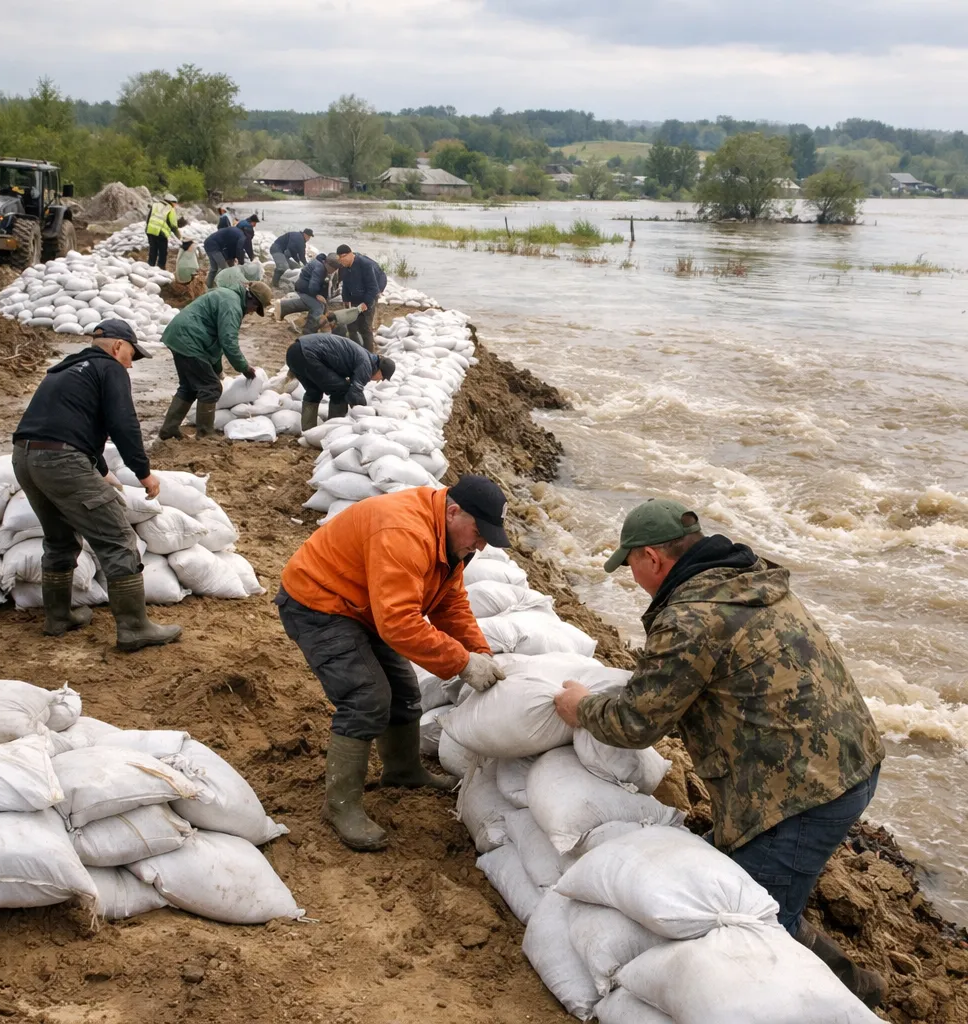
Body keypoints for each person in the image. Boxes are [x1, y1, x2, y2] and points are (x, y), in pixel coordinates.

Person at [552, 498, 887, 1007]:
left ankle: (849, 999)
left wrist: (581, 707)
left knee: (757, 921)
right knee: (732, 880)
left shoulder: (691, 618)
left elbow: (636, 722)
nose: (630, 575)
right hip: (847, 760)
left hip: (800, 795)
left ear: (653, 559)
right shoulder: (746, 581)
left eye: (631, 565)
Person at [276, 475, 510, 850]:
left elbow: (450, 604)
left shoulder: (450, 542)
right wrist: (463, 663)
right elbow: (399, 623)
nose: (480, 546)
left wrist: (480, 652)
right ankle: (340, 806)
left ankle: (403, 772)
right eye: (479, 534)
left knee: (403, 692)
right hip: (318, 603)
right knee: (366, 697)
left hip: (364, 606)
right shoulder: (405, 532)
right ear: (453, 513)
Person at [11, 320, 182, 652]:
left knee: (59, 540)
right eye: (132, 355)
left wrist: (101, 470)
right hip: (61, 462)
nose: (131, 364)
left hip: (25, 458)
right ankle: (134, 628)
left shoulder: (64, 370)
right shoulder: (110, 369)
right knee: (118, 540)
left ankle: (58, 617)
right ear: (118, 346)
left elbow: (71, 425)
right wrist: (144, 474)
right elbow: (123, 423)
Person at [158, 281, 273, 440]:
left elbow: (217, 343)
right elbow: (228, 341)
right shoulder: (232, 305)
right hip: (189, 340)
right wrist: (244, 367)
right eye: (255, 308)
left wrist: (217, 369)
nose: (252, 312)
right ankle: (205, 434)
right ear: (251, 299)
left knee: (189, 387)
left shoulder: (229, 297)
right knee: (211, 387)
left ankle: (168, 429)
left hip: (181, 336)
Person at [285, 333, 395, 430]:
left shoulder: (365, 357)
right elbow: (355, 391)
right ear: (380, 370)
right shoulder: (366, 364)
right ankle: (334, 429)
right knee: (341, 390)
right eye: (381, 378)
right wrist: (365, 416)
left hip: (294, 352)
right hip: (308, 354)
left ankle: (308, 429)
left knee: (314, 390)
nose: (378, 381)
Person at [335, 245, 387, 351]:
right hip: (354, 297)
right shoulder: (343, 267)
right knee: (351, 326)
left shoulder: (365, 265)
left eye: (344, 256)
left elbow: (373, 288)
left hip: (367, 297)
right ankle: (357, 350)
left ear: (351, 254)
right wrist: (345, 300)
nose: (342, 260)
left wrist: (366, 303)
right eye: (340, 258)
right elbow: (345, 285)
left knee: (365, 327)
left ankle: (368, 354)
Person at [291, 252, 340, 332]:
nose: (334, 271)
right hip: (303, 289)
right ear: (330, 266)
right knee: (317, 306)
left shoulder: (321, 263)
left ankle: (312, 323)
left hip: (303, 286)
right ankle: (309, 330)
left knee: (322, 303)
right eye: (334, 269)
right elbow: (313, 286)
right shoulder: (320, 269)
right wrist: (316, 295)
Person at [144, 193, 181, 270]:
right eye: (174, 203)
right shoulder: (170, 209)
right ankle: (161, 268)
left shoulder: (155, 205)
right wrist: (179, 237)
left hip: (150, 231)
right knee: (162, 252)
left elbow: (148, 218)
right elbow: (173, 225)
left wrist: (147, 228)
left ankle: (150, 267)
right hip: (161, 233)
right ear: (171, 202)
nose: (175, 205)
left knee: (152, 251)